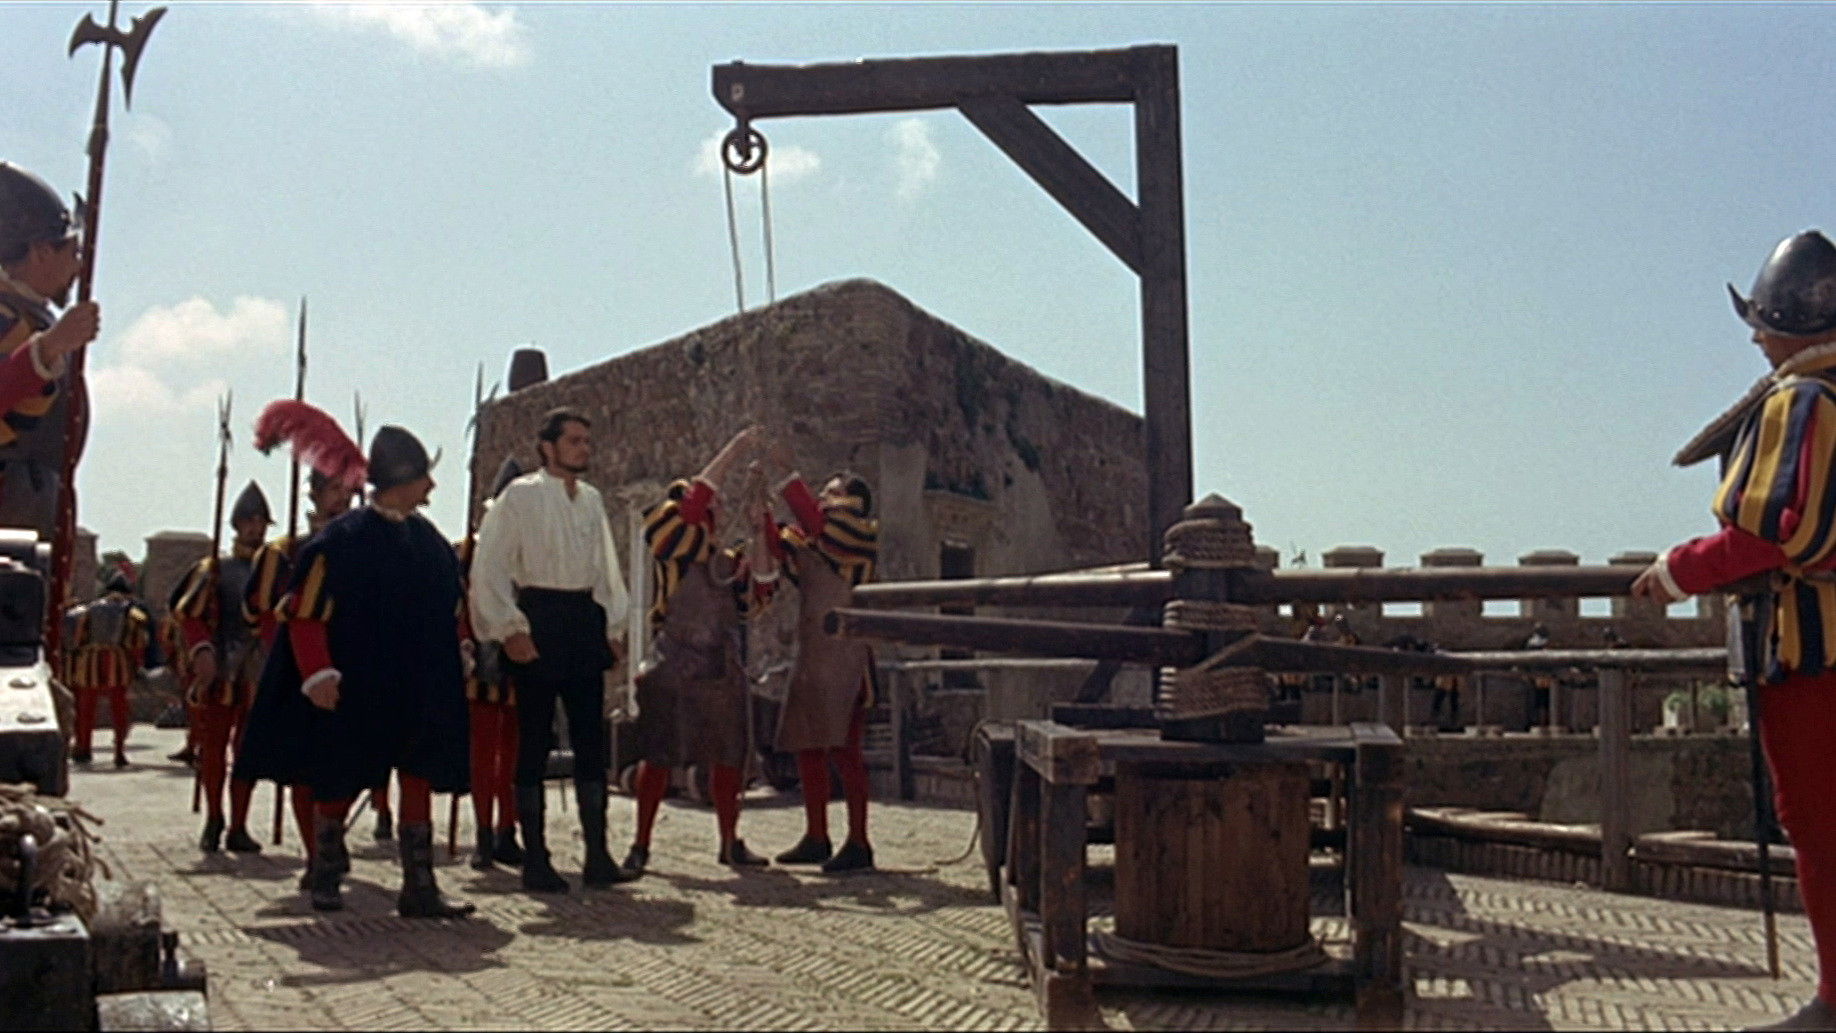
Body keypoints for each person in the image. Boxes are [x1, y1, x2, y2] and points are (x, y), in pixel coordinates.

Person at [1633, 229, 1836, 1032]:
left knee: (1819, 826)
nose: (1755, 339)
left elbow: (1775, 532)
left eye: (1762, 323)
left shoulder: (1802, 402)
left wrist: (1678, 570)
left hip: (1815, 654)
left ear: (1787, 324)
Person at [239, 417, 473, 917]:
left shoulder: (430, 542)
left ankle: (419, 886)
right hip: (357, 683)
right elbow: (304, 614)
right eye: (424, 476)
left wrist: (460, 655)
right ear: (402, 478)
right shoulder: (340, 542)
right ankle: (325, 872)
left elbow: (449, 610)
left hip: (416, 683)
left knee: (417, 776)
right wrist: (318, 673)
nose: (432, 486)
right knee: (339, 777)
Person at [470, 407, 631, 893]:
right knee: (535, 741)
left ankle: (597, 854)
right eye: (574, 440)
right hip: (538, 617)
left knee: (589, 741)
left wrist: (613, 623)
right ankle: (535, 858)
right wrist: (509, 628)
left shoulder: (592, 500)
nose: (583, 448)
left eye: (586, 441)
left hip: (582, 620)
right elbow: (490, 566)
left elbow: (606, 565)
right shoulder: (519, 497)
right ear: (548, 446)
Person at [623, 427, 779, 873]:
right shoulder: (670, 540)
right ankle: (640, 844)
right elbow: (693, 503)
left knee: (728, 758)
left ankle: (730, 841)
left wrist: (760, 530)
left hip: (719, 668)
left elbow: (761, 593)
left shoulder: (725, 562)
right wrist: (735, 448)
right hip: (672, 663)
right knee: (657, 758)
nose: (717, 506)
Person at [759, 442, 879, 874]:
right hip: (814, 654)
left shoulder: (859, 533)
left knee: (846, 752)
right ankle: (816, 836)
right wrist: (762, 511)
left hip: (847, 656)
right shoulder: (817, 537)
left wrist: (787, 475)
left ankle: (859, 842)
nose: (825, 497)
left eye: (832, 491)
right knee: (807, 745)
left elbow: (819, 528)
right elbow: (783, 549)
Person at [237, 467, 357, 882]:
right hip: (296, 668)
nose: (342, 498)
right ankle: (315, 854)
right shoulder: (282, 553)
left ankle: (330, 834)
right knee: (305, 771)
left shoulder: (364, 547)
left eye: (348, 490)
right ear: (315, 494)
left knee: (352, 764)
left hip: (354, 666)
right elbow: (261, 611)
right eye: (334, 489)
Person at [171, 481, 272, 853]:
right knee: (213, 748)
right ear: (237, 524)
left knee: (248, 752)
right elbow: (189, 614)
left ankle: (239, 825)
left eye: (261, 521)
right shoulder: (214, 568)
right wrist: (202, 651)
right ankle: (214, 818)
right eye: (249, 520)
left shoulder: (276, 568)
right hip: (222, 665)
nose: (256, 528)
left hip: (259, 669)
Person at [0, 162, 100, 536]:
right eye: (72, 252)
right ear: (42, 252)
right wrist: (49, 348)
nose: (78, 267)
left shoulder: (28, 315)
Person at [458, 456, 526, 871]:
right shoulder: (469, 552)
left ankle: (507, 830)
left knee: (514, 753)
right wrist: (464, 644)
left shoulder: (536, 554)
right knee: (483, 753)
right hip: (482, 659)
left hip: (520, 658)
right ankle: (483, 832)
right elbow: (458, 605)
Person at [66, 569, 150, 768]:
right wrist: (137, 666)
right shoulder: (133, 613)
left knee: (86, 707)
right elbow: (137, 643)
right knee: (119, 708)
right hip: (117, 661)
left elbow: (79, 638)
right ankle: (119, 751)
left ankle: (83, 747)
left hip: (90, 661)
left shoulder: (90, 609)